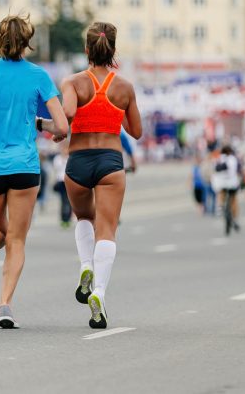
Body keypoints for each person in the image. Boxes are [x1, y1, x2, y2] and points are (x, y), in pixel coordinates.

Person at [0, 14, 69, 329]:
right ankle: (4, 304)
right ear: (28, 42)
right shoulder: (39, 76)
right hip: (24, 166)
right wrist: (42, 125)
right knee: (17, 240)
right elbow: (61, 126)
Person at [54, 22, 142, 329]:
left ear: (87, 50)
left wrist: (54, 128)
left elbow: (65, 115)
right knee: (108, 229)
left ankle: (86, 266)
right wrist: (115, 112)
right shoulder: (124, 87)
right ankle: (100, 294)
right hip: (110, 162)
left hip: (78, 162)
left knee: (84, 219)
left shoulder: (73, 82)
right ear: (113, 50)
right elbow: (137, 131)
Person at [212, 145, 241, 235]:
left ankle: (220, 207)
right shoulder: (233, 159)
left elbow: (215, 168)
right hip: (232, 182)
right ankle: (235, 218)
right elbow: (237, 169)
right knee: (233, 200)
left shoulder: (219, 158)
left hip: (222, 183)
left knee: (221, 193)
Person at [52, 147, 72, 228]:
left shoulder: (70, 157)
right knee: (63, 200)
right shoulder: (57, 158)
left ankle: (68, 218)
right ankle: (63, 218)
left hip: (69, 181)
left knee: (70, 201)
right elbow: (56, 169)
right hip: (61, 181)